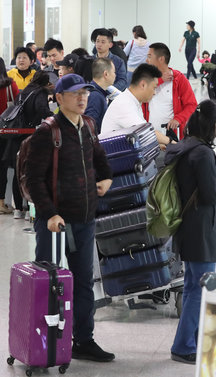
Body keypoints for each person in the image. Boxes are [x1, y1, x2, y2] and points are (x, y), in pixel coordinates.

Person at [25, 73, 115, 362]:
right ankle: (40, 344)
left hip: (85, 218)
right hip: (55, 222)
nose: (82, 98)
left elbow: (99, 156)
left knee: (84, 281)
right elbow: (34, 179)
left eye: (85, 93)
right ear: (59, 98)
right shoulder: (47, 132)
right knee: (47, 281)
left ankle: (84, 340)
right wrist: (49, 213)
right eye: (75, 93)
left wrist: (107, 178)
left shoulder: (88, 125)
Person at [167, 99, 216, 364]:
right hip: (201, 229)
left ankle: (193, 340)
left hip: (189, 226)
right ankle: (184, 345)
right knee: (199, 289)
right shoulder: (203, 153)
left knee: (192, 287)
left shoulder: (187, 147)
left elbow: (200, 186)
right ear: (213, 124)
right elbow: (212, 195)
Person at [6, 72, 53, 220]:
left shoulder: (24, 91)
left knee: (18, 172)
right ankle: (28, 209)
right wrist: (52, 114)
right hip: (30, 136)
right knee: (30, 172)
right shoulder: (41, 92)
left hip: (16, 137)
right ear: (46, 83)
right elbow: (41, 110)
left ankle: (17, 209)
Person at [101, 64, 172, 148]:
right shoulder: (124, 104)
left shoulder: (133, 101)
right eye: (154, 87)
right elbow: (146, 132)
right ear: (143, 85)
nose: (154, 92)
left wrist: (159, 145)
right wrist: (172, 142)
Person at [142, 42, 198, 140]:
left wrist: (178, 119)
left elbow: (192, 105)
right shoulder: (146, 78)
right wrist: (159, 80)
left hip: (171, 136)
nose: (147, 60)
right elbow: (138, 95)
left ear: (161, 59)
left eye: (150, 56)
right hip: (149, 135)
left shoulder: (179, 79)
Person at [0, 57, 19, 215]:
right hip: (6, 131)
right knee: (2, 168)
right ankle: (1, 203)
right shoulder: (10, 85)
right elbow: (17, 105)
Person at [85, 57, 115, 133]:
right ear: (106, 74)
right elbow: (89, 127)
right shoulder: (96, 96)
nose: (115, 75)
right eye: (114, 72)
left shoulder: (92, 92)